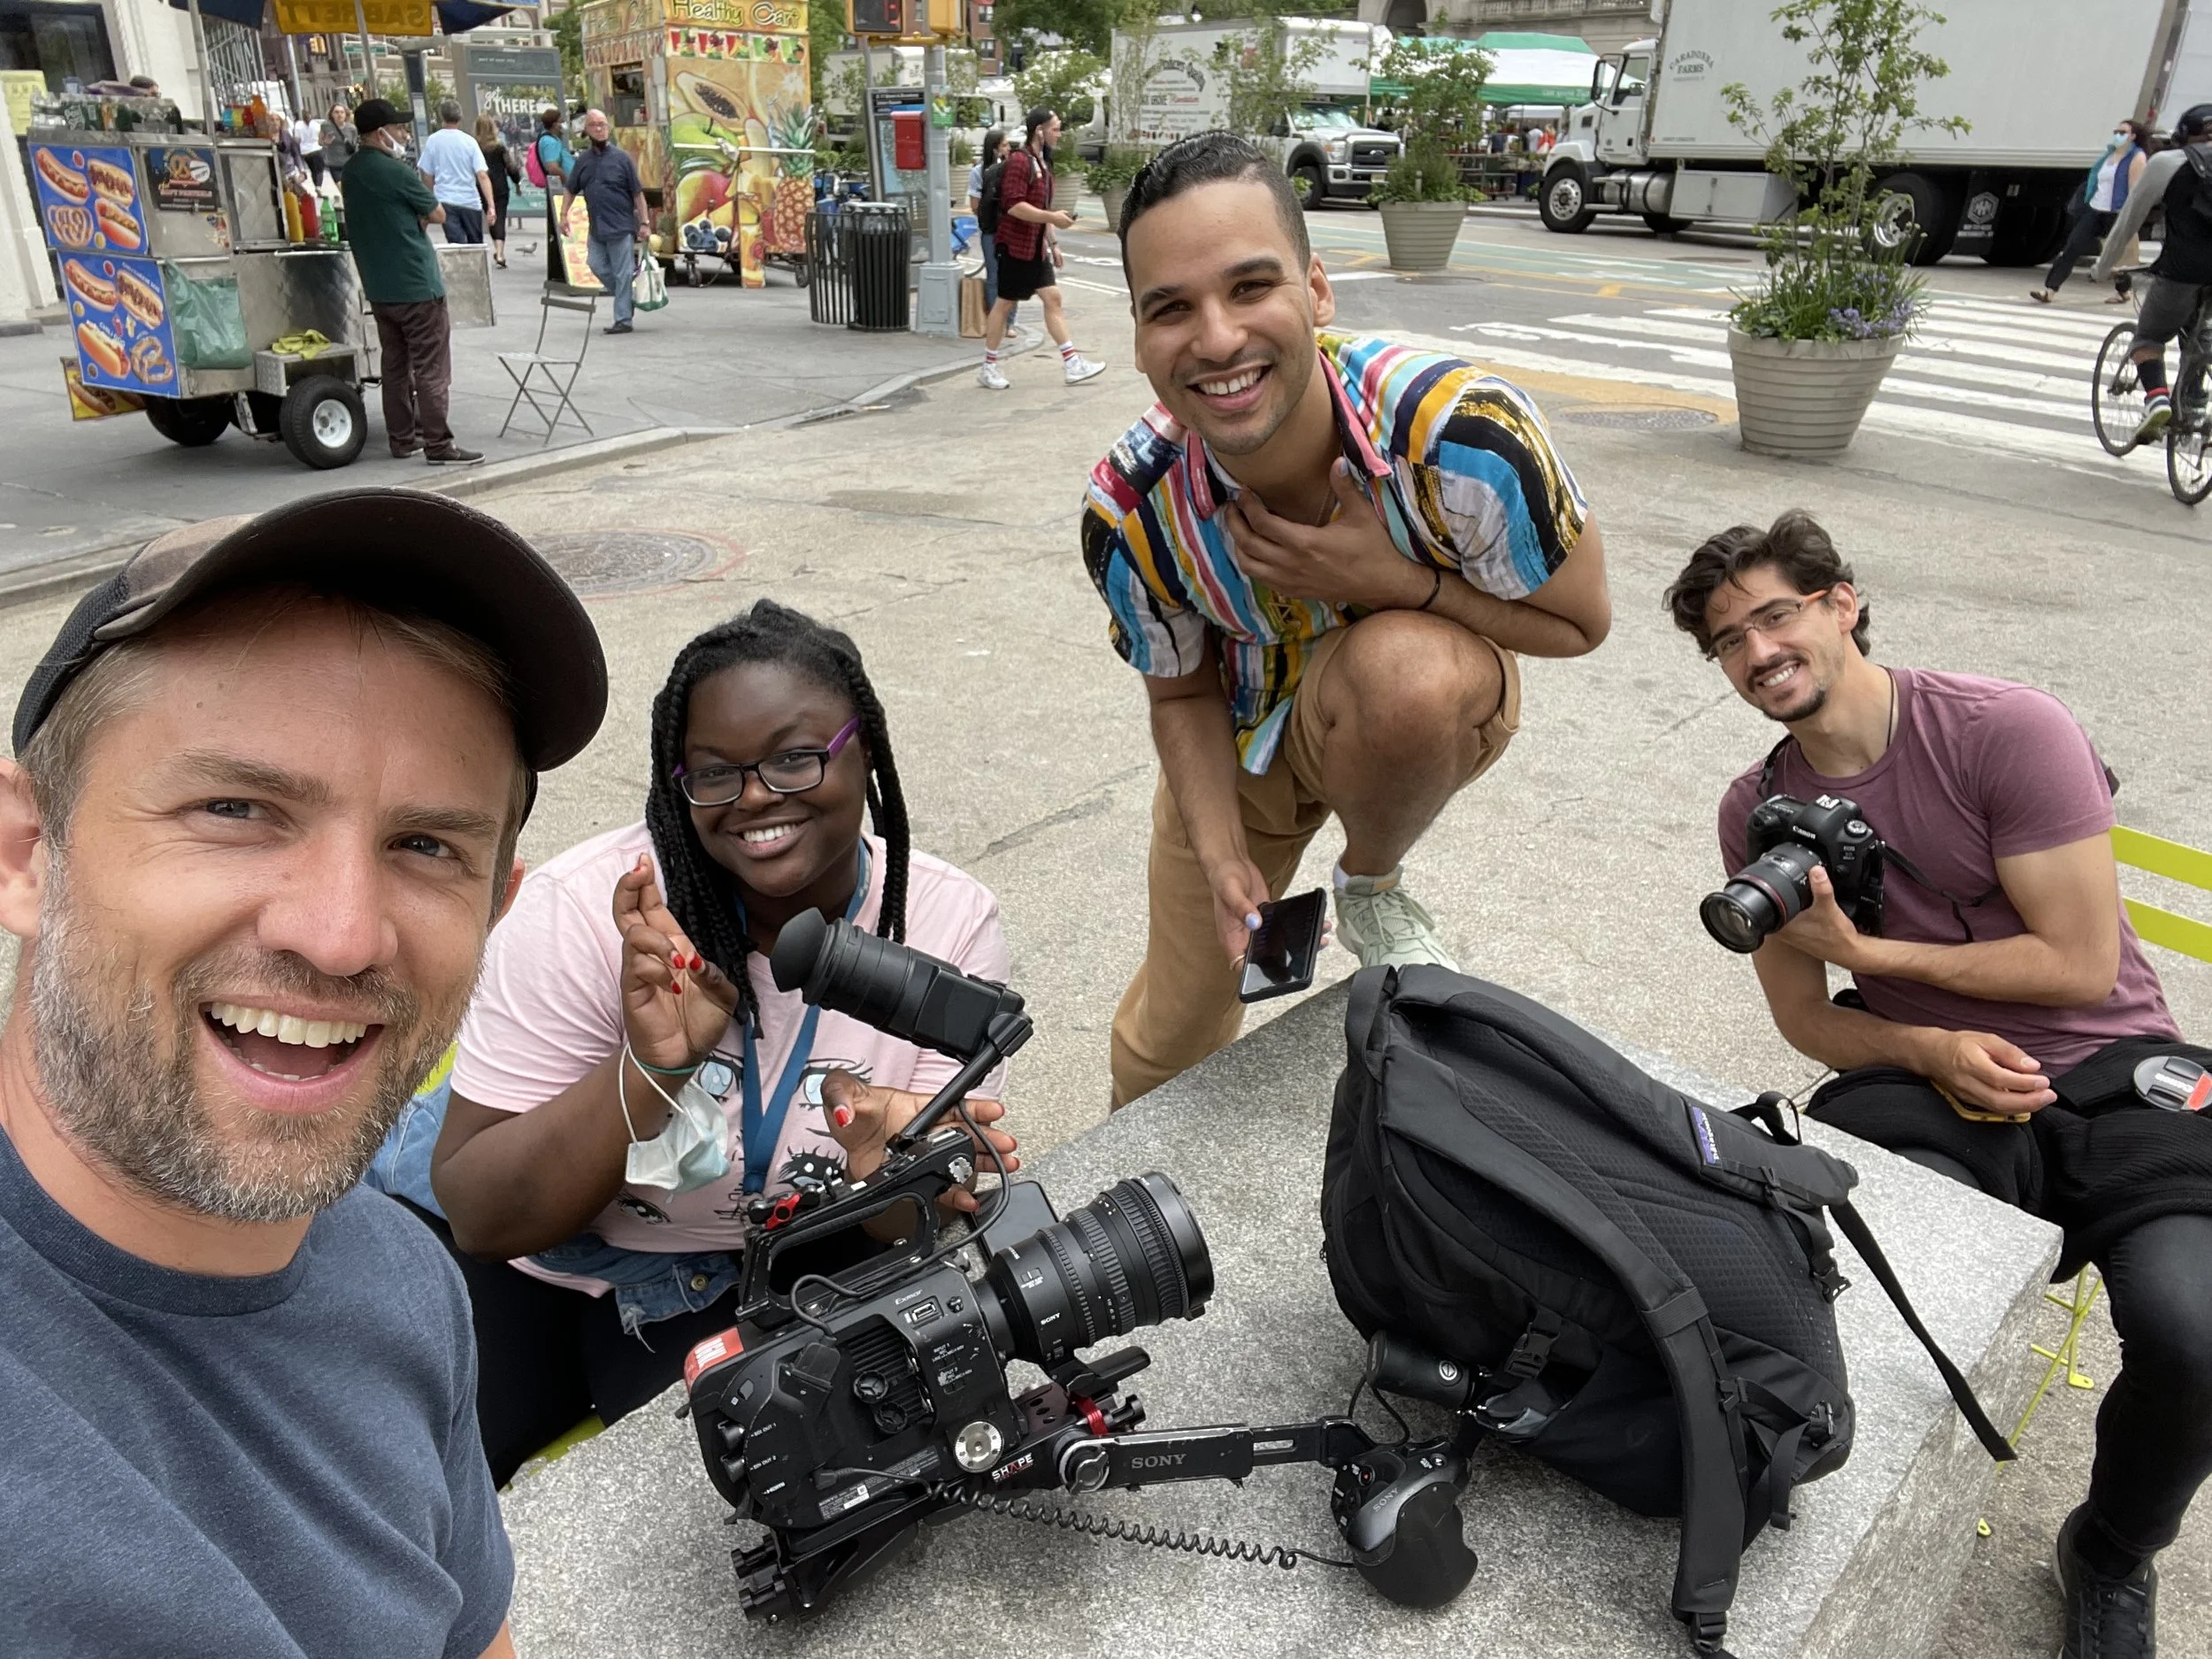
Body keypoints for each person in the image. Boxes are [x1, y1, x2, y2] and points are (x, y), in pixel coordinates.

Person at [0, 488, 609, 1657]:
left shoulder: (399, 1277)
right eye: (236, 807)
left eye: (426, 846)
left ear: (499, 908)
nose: (340, 934)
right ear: (30, 853)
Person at [1663, 510, 2212, 1659]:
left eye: (1777, 613)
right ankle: (1848, 1510)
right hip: (1929, 1077)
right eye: (1728, 639)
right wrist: (1926, 1044)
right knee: (1859, 1288)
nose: (1758, 651)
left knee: (2196, 1331)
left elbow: (2075, 958)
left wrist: (1875, 960)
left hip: (2111, 1062)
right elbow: (1807, 1020)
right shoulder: (1754, 809)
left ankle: (2110, 1549)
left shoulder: (2006, 728)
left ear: (1843, 601)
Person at [402, 602, 1017, 1485]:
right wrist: (651, 1068)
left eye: (795, 758)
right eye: (715, 775)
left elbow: (908, 1220)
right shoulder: (586, 912)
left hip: (776, 1262)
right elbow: (486, 1218)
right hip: (550, 1264)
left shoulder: (946, 922)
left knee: (771, 1486)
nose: (757, 796)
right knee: (413, 1492)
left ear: (865, 749)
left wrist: (884, 1168)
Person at [1086, 133, 1610, 1106]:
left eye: (1250, 288)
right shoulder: (1129, 512)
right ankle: (1121, 1212)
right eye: (1170, 308)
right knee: (1173, 1031)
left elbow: (1580, 624)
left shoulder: (1462, 437)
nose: (1214, 339)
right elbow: (1180, 692)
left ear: (1317, 291)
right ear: (1136, 335)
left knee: (1408, 673)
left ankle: (1369, 882)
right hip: (1240, 735)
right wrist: (1220, 855)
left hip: (1409, 702)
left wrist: (1399, 580)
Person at [341, 99, 483, 466]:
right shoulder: (396, 171)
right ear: (380, 133)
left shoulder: (352, 170)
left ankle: (402, 439)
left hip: (380, 286)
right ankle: (438, 444)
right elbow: (437, 211)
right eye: (399, 129)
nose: (404, 134)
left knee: (394, 367)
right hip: (416, 284)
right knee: (431, 369)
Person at [2092, 103, 2212, 442]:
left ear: (2184, 135)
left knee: (2149, 337)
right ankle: (2194, 409)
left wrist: (2103, 267)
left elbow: (2129, 219)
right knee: (2199, 336)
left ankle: (2157, 399)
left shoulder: (2168, 163)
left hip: (2182, 271)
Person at [978, 107, 1105, 391]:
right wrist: (1051, 219)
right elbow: (1014, 205)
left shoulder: (1044, 165)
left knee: (1053, 298)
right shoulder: (1020, 162)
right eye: (1056, 128)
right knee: (1004, 303)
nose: (1059, 134)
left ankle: (1072, 363)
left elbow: (1042, 208)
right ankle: (989, 366)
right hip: (1014, 247)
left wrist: (1053, 243)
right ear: (1040, 130)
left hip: (1035, 249)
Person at [2031, 119, 2146, 303]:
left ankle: (2123, 291)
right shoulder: (2109, 155)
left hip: (2117, 213)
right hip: (2095, 209)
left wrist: (2131, 215)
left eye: (2123, 133)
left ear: (2133, 136)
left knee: (2117, 256)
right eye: (2116, 131)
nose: (2118, 135)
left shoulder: (2136, 157)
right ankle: (2049, 290)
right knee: (2072, 247)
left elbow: (2135, 190)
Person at [562, 109, 650, 335]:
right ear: (587, 130)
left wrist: (645, 222)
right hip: (597, 228)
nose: (599, 129)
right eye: (594, 125)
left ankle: (623, 319)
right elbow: (571, 189)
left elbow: (637, 193)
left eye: (602, 124)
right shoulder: (583, 161)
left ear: (608, 128)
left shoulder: (622, 159)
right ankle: (628, 298)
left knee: (623, 273)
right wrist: (564, 216)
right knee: (595, 264)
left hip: (621, 227)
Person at [419, 99, 496, 247]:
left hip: (445, 199)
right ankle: (475, 269)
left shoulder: (433, 141)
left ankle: (460, 269)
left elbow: (427, 174)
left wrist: (430, 198)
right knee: (475, 245)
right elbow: (482, 175)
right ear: (460, 118)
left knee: (456, 244)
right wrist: (491, 205)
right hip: (470, 201)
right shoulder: (469, 142)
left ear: (442, 117)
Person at [967, 126, 1016, 319]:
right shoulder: (979, 172)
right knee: (994, 274)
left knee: (1011, 275)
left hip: (1011, 230)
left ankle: (1010, 322)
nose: (1009, 148)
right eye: (1005, 145)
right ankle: (996, 320)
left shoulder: (1013, 170)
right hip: (990, 230)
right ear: (995, 149)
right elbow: (974, 205)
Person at [534, 107, 574, 283]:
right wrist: (568, 179)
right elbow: (552, 166)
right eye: (560, 122)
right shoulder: (550, 142)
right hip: (563, 189)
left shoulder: (550, 140)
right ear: (554, 124)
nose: (562, 126)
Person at [476, 113, 518, 269]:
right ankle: (500, 252)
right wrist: (517, 180)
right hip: (500, 186)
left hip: (482, 186)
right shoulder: (500, 147)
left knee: (491, 218)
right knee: (500, 217)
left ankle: (498, 251)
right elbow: (511, 167)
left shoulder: (475, 146)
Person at [320, 102, 359, 186]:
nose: (340, 114)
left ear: (346, 114)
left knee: (351, 187)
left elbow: (355, 145)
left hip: (349, 163)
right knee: (341, 187)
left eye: (342, 112)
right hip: (334, 163)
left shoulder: (352, 128)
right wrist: (326, 142)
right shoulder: (325, 126)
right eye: (336, 112)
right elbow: (320, 142)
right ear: (332, 114)